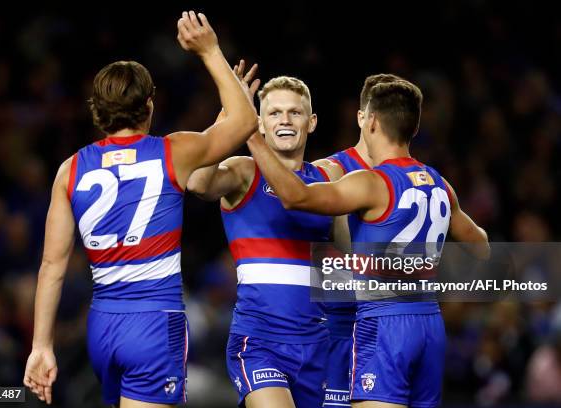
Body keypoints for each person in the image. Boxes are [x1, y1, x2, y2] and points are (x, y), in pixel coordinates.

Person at [22, 11, 258, 408]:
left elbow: (52, 266)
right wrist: (210, 51)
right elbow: (244, 120)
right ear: (149, 104)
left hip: (102, 326)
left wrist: (41, 346)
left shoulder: (70, 170)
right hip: (154, 323)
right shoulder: (174, 152)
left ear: (97, 109)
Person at [246, 79, 489, 408]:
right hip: (430, 323)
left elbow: (294, 196)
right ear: (413, 128)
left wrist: (251, 134)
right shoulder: (440, 183)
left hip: (383, 323)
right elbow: (481, 246)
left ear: (370, 120)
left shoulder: (372, 182)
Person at [187, 71, 332, 408]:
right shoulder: (244, 171)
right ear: (260, 124)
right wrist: (228, 119)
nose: (285, 120)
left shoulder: (327, 179)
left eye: (294, 112)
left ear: (310, 122)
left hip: (319, 344)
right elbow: (197, 183)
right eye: (273, 113)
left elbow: (348, 253)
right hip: (260, 340)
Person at [312, 74, 403, 407]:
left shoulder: (412, 178)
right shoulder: (332, 169)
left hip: (393, 329)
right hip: (340, 328)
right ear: (363, 117)